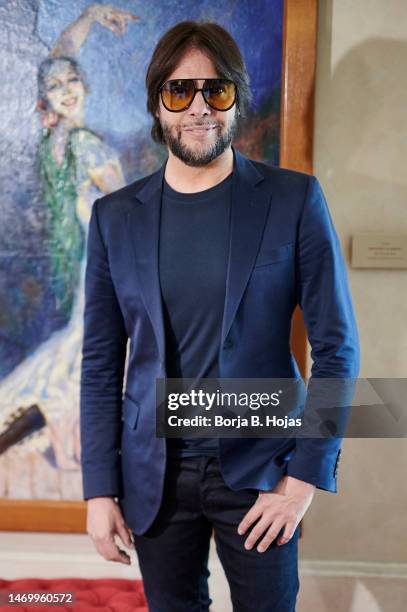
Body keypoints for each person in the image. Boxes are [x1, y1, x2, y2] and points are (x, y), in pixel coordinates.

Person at [81, 21, 360, 612]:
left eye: (217, 91)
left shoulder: (294, 200)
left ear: (237, 99)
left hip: (263, 471)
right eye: (180, 92)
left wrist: (303, 481)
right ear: (158, 105)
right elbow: (102, 364)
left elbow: (338, 348)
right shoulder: (113, 218)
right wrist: (100, 489)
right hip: (153, 476)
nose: (199, 108)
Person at [0, 4, 137, 495]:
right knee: (87, 355)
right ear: (48, 100)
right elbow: (127, 217)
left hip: (90, 262)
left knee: (80, 353)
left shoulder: (58, 138)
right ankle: (70, 445)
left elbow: (58, 57)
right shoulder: (85, 145)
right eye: (55, 88)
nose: (66, 89)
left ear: (84, 84)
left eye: (71, 82)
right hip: (104, 264)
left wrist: (91, 17)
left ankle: (46, 431)